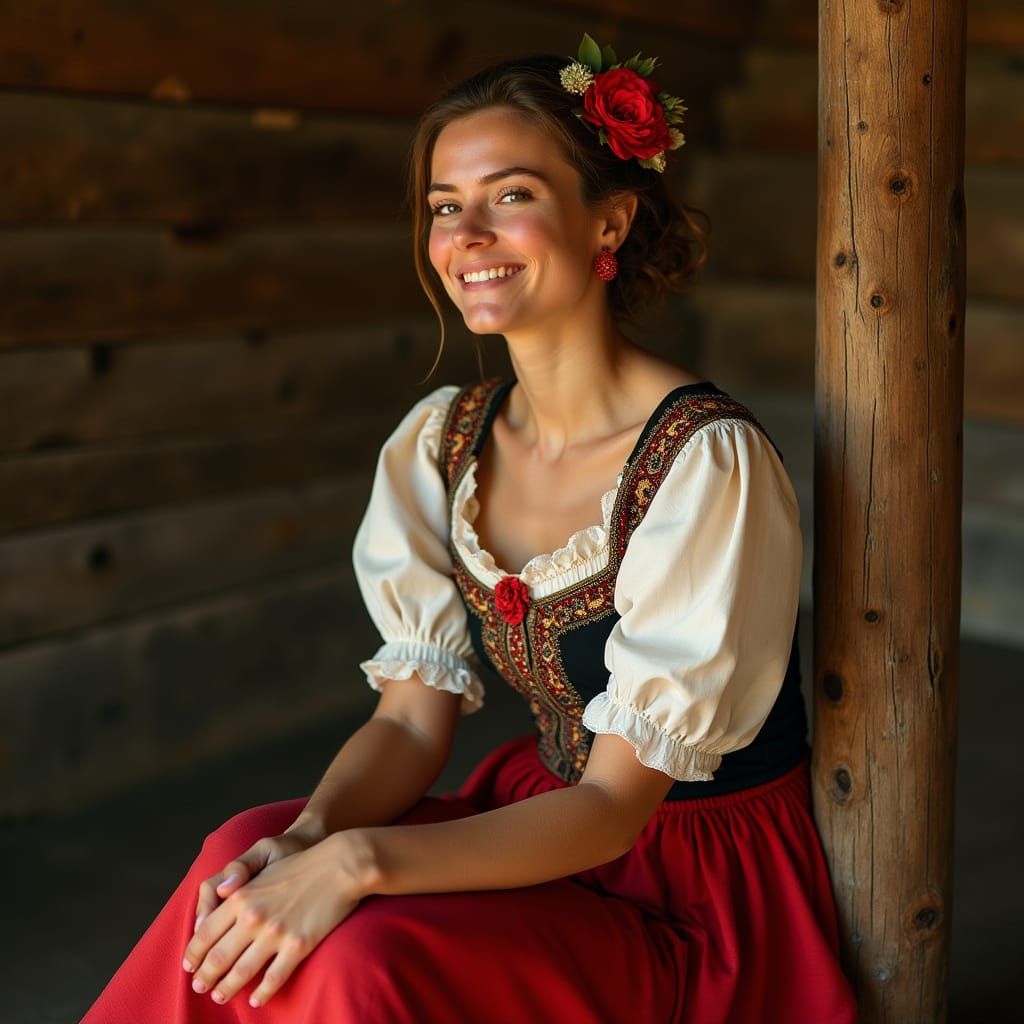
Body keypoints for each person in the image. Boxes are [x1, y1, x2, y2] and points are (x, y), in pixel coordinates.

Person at [82, 37, 858, 1024]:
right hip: (540, 825)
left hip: (687, 887)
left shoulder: (702, 460)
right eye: (447, 205)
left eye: (512, 194)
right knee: (240, 852)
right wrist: (314, 834)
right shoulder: (442, 441)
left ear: (609, 217)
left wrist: (359, 861)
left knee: (362, 949)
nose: (468, 233)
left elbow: (619, 806)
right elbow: (410, 720)